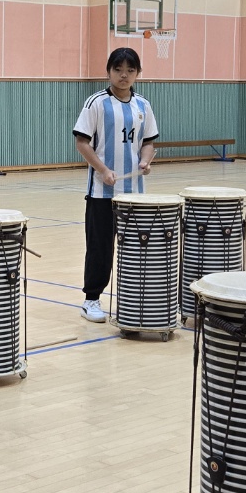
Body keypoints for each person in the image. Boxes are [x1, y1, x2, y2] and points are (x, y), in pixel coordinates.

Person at [72, 47, 158, 323]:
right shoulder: (95, 102)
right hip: (101, 193)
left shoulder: (143, 105)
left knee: (136, 249)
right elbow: (82, 142)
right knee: (100, 248)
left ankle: (135, 299)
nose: (124, 75)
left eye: (130, 70)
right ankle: (92, 300)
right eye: (118, 70)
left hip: (135, 196)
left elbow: (148, 142)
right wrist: (102, 169)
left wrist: (145, 162)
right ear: (108, 71)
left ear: (137, 73)